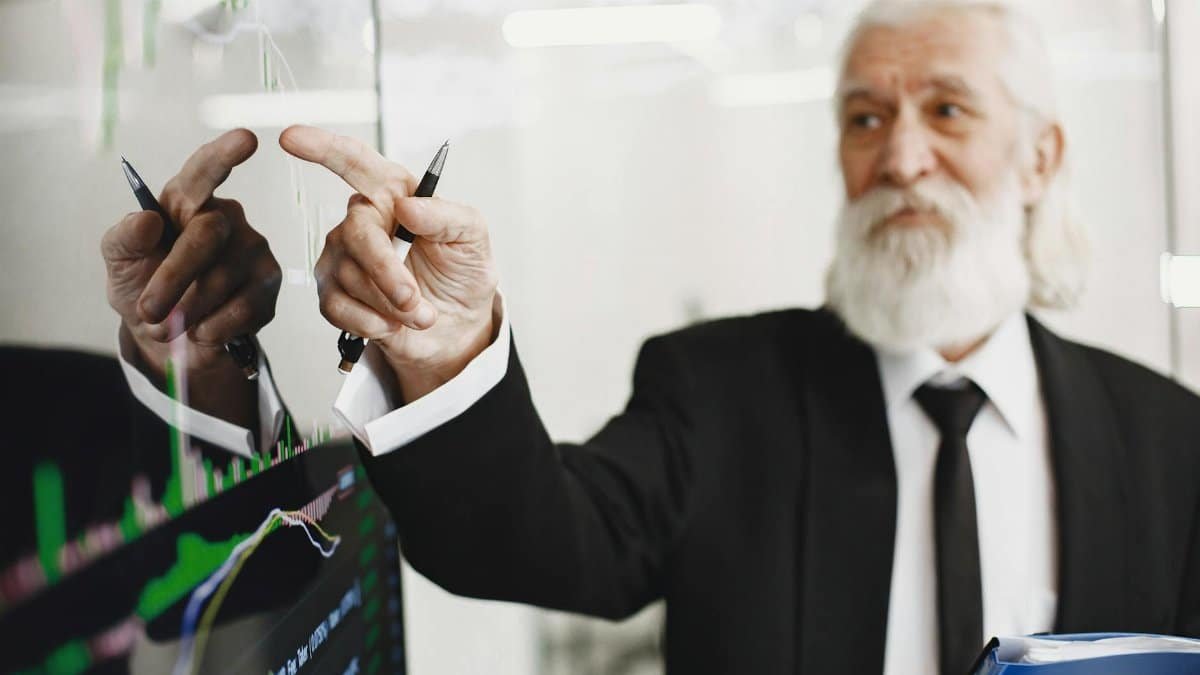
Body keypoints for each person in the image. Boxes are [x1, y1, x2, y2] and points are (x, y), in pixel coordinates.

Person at [279, 1, 1200, 674]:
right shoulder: (719, 390)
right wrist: (442, 342)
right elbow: (527, 543)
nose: (902, 157)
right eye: (865, 118)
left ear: (1039, 157)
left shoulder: (1169, 441)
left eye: (948, 110)